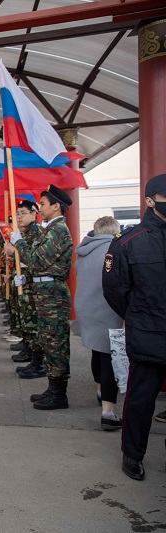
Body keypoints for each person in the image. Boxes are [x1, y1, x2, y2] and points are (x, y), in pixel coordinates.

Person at [103, 173, 166, 480]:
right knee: (141, 401)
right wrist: (138, 317)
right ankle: (132, 454)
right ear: (150, 201)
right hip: (147, 335)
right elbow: (114, 289)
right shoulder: (128, 242)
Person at [6, 184, 73, 410]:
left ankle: (59, 393)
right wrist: (26, 278)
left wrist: (19, 243)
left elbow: (37, 260)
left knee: (56, 342)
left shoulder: (58, 230)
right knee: (48, 340)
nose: (40, 207)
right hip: (45, 291)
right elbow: (39, 265)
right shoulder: (51, 229)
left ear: (56, 206)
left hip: (53, 293)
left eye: (43, 204)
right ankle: (53, 388)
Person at [74, 216, 124, 431]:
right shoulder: (114, 250)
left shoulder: (84, 250)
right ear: (115, 231)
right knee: (110, 358)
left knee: (97, 351)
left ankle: (100, 389)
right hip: (108, 309)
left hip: (86, 308)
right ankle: (108, 412)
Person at [8, 200, 44, 377]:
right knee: (27, 320)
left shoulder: (37, 233)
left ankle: (38, 363)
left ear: (34, 214)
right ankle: (30, 352)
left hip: (34, 284)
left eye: (23, 213)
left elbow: (34, 259)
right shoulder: (26, 233)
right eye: (18, 214)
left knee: (33, 323)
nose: (19, 217)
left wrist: (16, 249)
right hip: (26, 281)